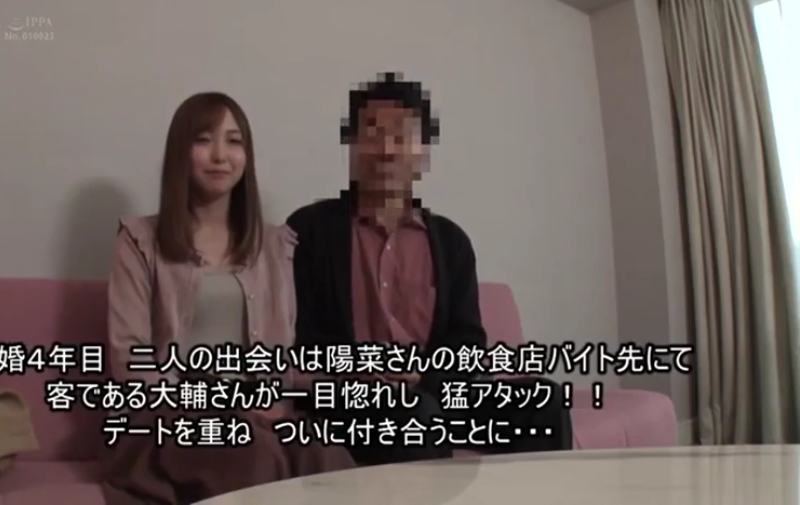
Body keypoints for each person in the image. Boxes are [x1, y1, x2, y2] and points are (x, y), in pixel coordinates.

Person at [286, 72, 573, 466]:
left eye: (401, 136)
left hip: (433, 388)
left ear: (422, 152)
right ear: (351, 144)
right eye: (372, 132)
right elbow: (298, 330)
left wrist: (424, 376)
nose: (386, 149)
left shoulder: (451, 242)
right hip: (352, 398)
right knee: (414, 413)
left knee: (545, 400)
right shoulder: (310, 230)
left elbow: (467, 341)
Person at [100, 92, 355, 505]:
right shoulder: (139, 240)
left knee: (326, 455)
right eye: (204, 140)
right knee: (252, 450)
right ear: (180, 152)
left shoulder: (276, 245)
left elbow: (282, 360)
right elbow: (131, 362)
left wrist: (348, 377)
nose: (221, 155)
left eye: (234, 141)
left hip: (256, 413)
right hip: (168, 415)